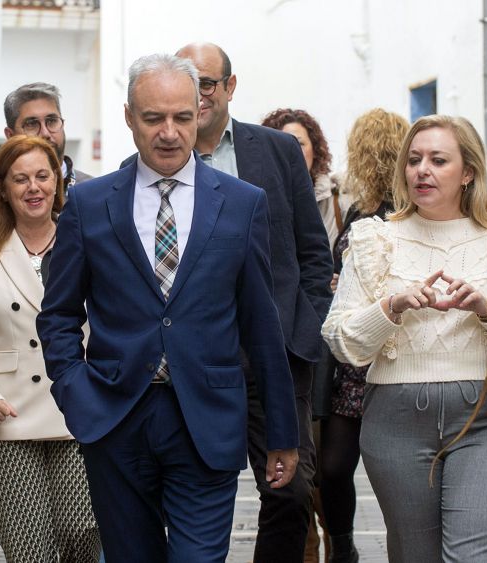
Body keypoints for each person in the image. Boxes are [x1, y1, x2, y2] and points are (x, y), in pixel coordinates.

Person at [37, 53, 301, 563]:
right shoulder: (90, 205)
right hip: (115, 419)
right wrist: (75, 390)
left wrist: (282, 432)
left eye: (182, 116)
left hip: (208, 420)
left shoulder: (242, 203)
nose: (169, 132)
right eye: (153, 117)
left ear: (199, 112)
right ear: (129, 117)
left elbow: (261, 324)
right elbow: (59, 314)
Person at [322, 114, 487, 562]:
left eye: (437, 160)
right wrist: (391, 308)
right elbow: (340, 339)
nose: (422, 170)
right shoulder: (374, 240)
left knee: (477, 557)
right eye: (413, 160)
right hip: (394, 420)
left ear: (468, 172)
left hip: (485, 416)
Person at [177, 42, 333, 562]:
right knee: (195, 496)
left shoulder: (276, 151)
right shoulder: (162, 158)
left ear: (230, 86)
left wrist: (304, 326)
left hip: (277, 357)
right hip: (199, 361)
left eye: (206, 83)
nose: (197, 94)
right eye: (186, 81)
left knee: (290, 493)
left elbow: (313, 253)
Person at [0, 135, 101, 562]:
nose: (34, 188)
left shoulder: (88, 242)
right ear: (1, 188)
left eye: (42, 176)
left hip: (77, 411)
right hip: (7, 414)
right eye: (20, 179)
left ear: (57, 182)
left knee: (83, 531)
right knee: (29, 547)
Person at [318, 108, 409, 563]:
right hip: (353, 363)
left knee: (399, 472)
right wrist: (340, 280)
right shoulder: (358, 209)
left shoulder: (411, 212)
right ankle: (343, 548)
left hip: (396, 354)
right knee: (333, 467)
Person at [260, 107, 338, 563]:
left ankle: (337, 545)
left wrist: (308, 321)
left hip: (311, 346)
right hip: (261, 348)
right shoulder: (256, 185)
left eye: (301, 143)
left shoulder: (333, 197)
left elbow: (315, 258)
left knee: (313, 472)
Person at [0, 82, 92, 310]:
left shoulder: (94, 193)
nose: (45, 133)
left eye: (52, 121)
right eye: (32, 124)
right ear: (10, 135)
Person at [261, 108, 348, 248]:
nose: (293, 151)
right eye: (284, 144)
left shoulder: (340, 201)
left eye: (299, 144)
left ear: (315, 149)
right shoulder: (259, 202)